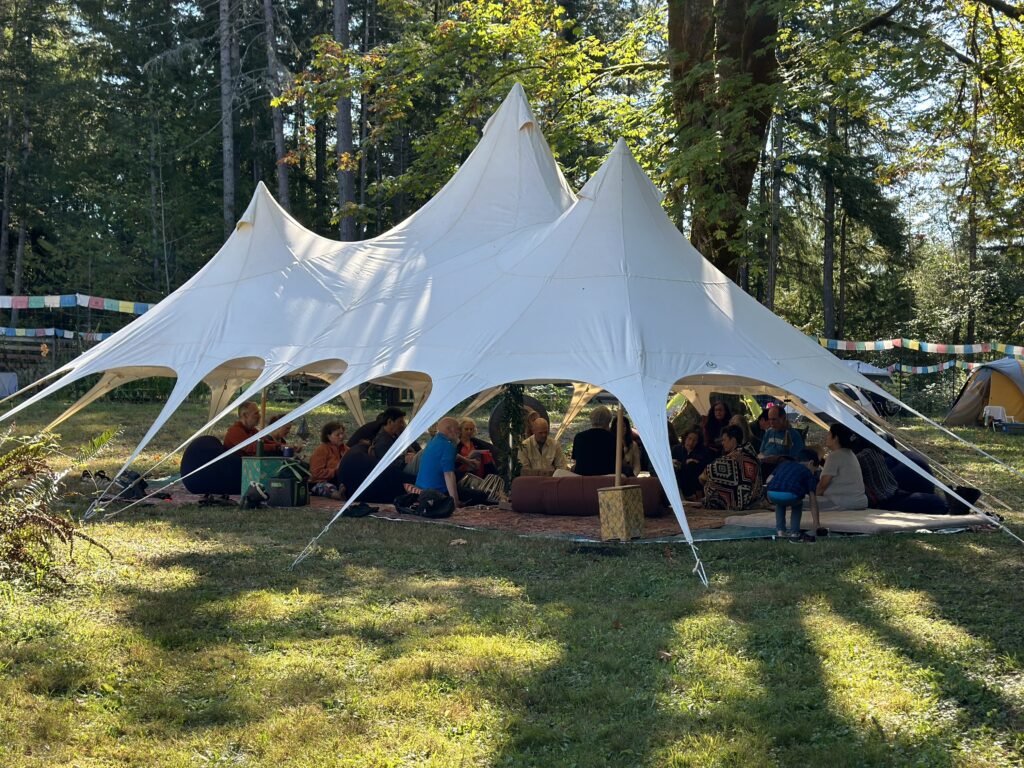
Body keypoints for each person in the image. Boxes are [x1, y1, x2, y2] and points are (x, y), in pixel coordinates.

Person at [415, 417, 489, 507]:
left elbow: (451, 455)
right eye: (457, 428)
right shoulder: (448, 446)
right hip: (437, 491)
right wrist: (455, 502)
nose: (459, 431)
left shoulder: (433, 440)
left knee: (461, 477)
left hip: (422, 487)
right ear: (449, 429)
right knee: (482, 495)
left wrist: (467, 461)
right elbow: (449, 475)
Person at [701, 424, 763, 511]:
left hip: (743, 502)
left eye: (724, 440)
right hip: (752, 500)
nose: (722, 443)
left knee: (711, 483)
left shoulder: (733, 459)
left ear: (733, 440)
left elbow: (705, 474)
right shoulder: (751, 455)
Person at [765, 449, 821, 541]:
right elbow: (813, 501)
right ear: (811, 463)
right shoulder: (808, 473)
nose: (814, 472)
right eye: (814, 470)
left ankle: (780, 531)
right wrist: (816, 524)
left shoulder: (784, 464)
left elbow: (768, 480)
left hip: (771, 493)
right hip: (790, 495)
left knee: (780, 503)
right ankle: (794, 532)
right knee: (798, 504)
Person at [816, 422, 868, 510]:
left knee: (801, 502)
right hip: (859, 501)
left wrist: (814, 497)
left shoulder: (834, 456)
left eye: (829, 434)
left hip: (842, 502)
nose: (826, 437)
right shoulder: (850, 454)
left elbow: (822, 485)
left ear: (835, 438)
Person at [571, 405, 617, 475]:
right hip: (607, 477)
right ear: (608, 421)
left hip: (582, 477)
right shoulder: (613, 438)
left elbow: (576, 460)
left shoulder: (579, 437)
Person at [309, 421, 348, 499]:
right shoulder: (322, 450)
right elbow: (316, 472)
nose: (341, 437)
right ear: (328, 436)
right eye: (337, 435)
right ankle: (338, 494)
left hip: (339, 480)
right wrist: (335, 471)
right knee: (327, 487)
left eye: (342, 433)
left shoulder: (346, 449)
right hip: (320, 482)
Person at [758, 405, 805, 470]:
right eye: (769, 419)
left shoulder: (794, 435)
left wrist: (774, 459)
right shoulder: (769, 432)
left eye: (774, 419)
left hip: (781, 469)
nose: (771, 423)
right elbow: (761, 452)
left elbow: (795, 459)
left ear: (783, 418)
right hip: (764, 465)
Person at [672, 429, 713, 500]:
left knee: (692, 466)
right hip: (679, 480)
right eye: (689, 438)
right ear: (685, 438)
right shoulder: (676, 449)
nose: (691, 442)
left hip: (695, 482)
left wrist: (684, 465)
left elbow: (702, 467)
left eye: (695, 440)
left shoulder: (702, 451)